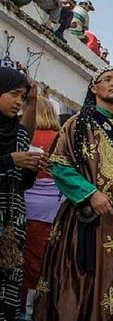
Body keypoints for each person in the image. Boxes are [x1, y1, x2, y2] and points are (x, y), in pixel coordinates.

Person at [33, 66, 113, 321]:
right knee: (81, 280)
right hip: (85, 219)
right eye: (107, 80)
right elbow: (59, 165)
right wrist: (90, 194)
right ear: (94, 89)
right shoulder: (78, 124)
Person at [0, 67, 43, 321]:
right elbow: (11, 161)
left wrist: (30, 168)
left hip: (12, 226)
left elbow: (22, 183)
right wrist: (9, 161)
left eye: (22, 97)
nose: (18, 102)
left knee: (8, 289)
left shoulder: (16, 133)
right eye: (14, 94)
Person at [21, 96, 65, 320]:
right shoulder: (61, 138)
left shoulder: (23, 135)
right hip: (56, 211)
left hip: (23, 209)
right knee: (46, 261)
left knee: (25, 259)